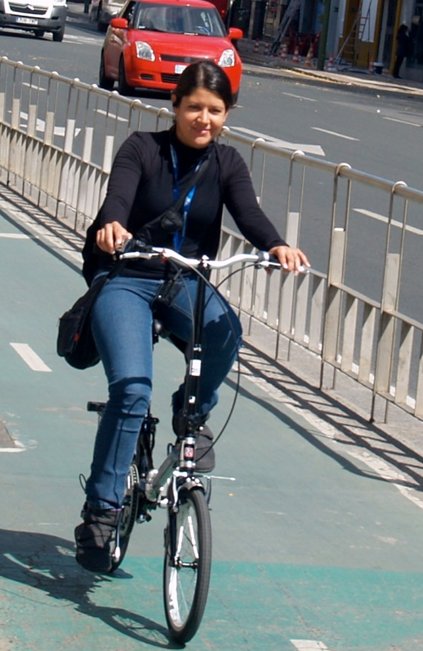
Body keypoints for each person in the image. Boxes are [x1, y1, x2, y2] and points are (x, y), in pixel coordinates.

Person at [73, 61, 310, 573]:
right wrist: (113, 224)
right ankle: (102, 508)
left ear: (228, 115)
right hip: (130, 278)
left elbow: (248, 214)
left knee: (227, 335)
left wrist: (277, 245)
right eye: (195, 107)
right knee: (132, 389)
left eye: (216, 111)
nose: (205, 119)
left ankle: (192, 413)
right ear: (175, 105)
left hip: (188, 282)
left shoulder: (228, 164)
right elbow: (118, 195)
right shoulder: (142, 147)